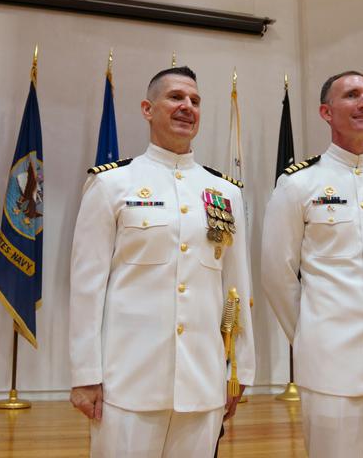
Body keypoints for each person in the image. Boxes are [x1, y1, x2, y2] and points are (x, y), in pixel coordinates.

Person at [69, 66, 254, 457]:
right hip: (128, 383)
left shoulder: (224, 192)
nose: (187, 107)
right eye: (175, 97)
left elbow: (236, 292)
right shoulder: (111, 184)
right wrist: (86, 375)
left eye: (195, 101)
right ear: (147, 109)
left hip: (202, 382)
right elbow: (87, 287)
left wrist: (238, 373)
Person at [261, 71, 363, 458]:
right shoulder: (300, 184)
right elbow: (276, 273)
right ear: (326, 112)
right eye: (351, 95)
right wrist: (311, 333)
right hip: (330, 363)